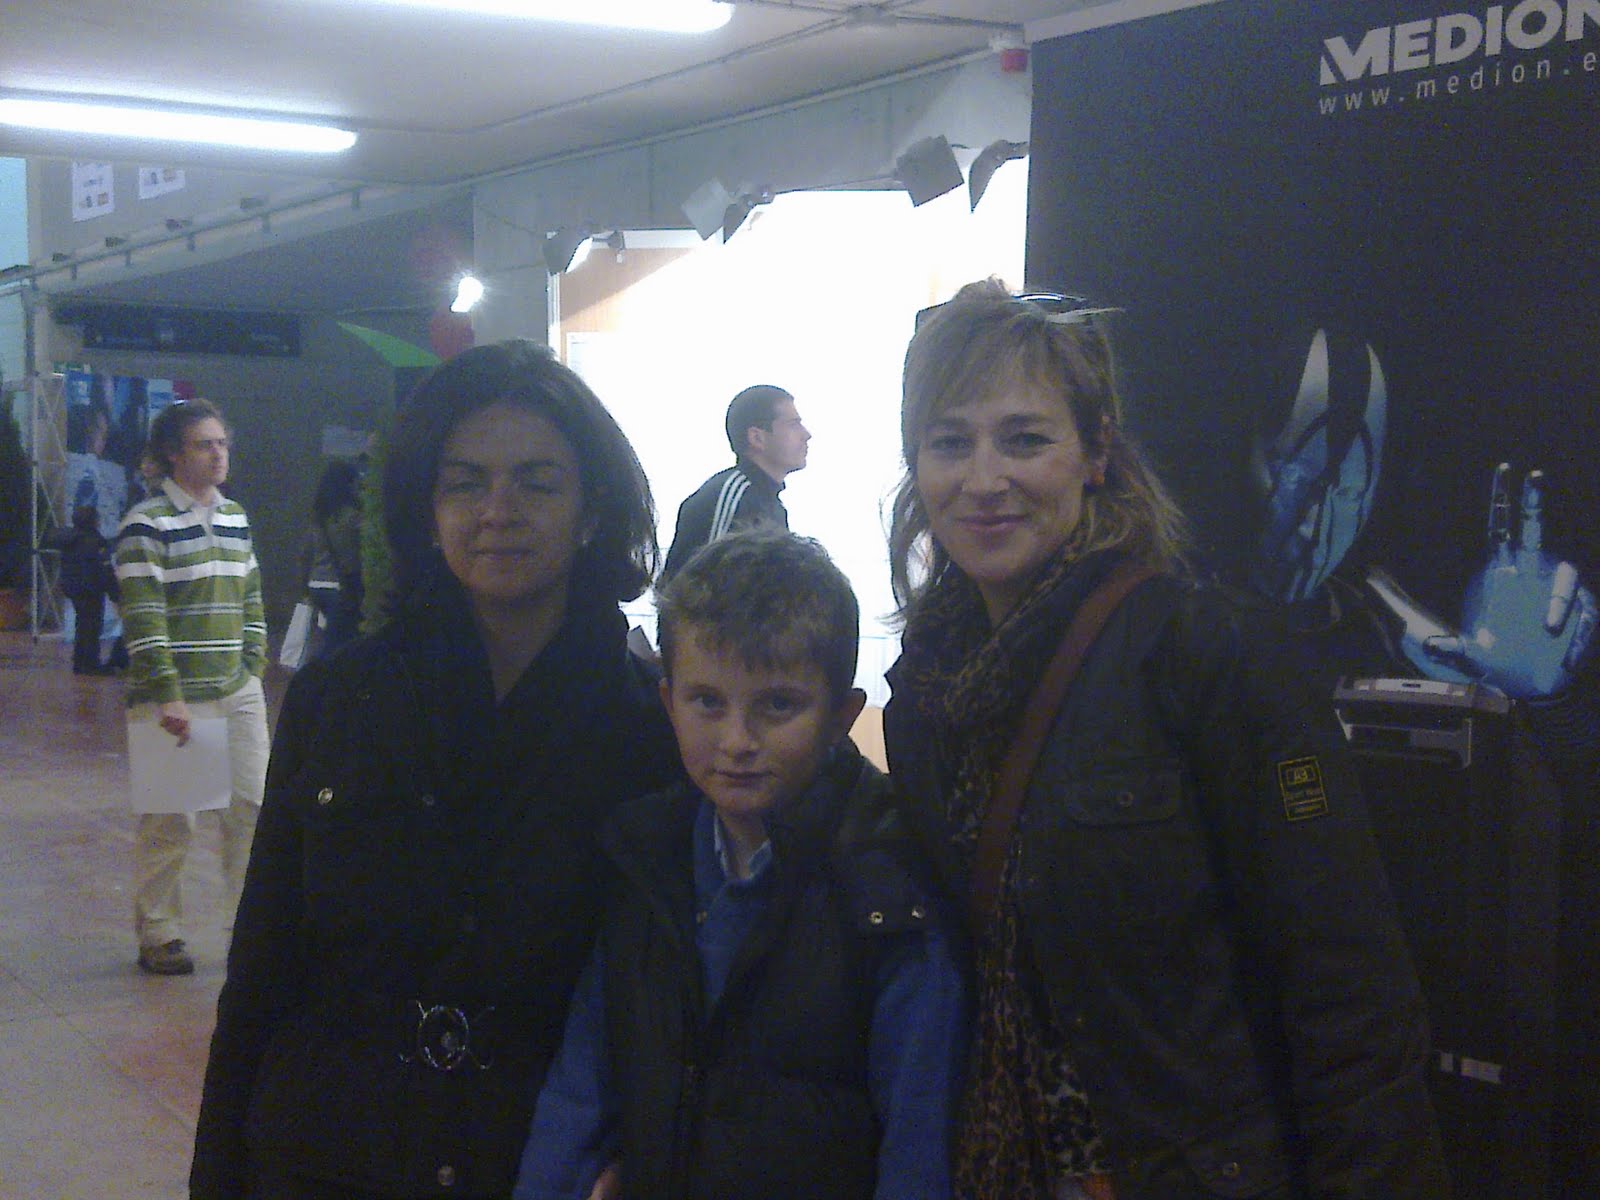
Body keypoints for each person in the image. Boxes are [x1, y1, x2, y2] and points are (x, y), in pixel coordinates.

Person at [881, 280, 1448, 1200]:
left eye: (1024, 439)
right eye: (951, 442)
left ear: (1096, 452)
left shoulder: (1203, 653)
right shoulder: (925, 697)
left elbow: (1346, 988)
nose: (984, 480)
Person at [190, 340, 684, 1200]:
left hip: (538, 1159)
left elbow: (668, 999)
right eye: (465, 483)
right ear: (426, 510)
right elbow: (263, 967)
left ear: (591, 510)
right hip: (329, 1151)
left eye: (537, 482)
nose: (499, 510)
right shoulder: (338, 699)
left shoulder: (652, 727)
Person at [514, 529, 963, 1200]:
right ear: (668, 702)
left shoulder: (892, 885)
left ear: (842, 715)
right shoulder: (643, 855)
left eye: (777, 704)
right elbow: (582, 1081)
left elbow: (920, 1145)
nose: (737, 741)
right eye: (707, 702)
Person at [116, 398, 269, 977]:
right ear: (173, 454)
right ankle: (159, 933)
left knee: (252, 810)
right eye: (205, 445)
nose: (218, 454)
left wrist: (252, 664)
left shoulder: (235, 516)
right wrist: (169, 695)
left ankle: (250, 932)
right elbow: (144, 618)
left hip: (237, 690)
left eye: (222, 443)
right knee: (173, 819)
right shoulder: (146, 523)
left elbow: (251, 597)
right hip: (177, 698)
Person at [658, 384, 810, 584]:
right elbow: (701, 588)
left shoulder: (771, 506)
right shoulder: (732, 496)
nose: (806, 434)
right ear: (757, 438)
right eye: (793, 424)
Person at [300, 456, 366, 662]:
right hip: (340, 587)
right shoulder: (352, 516)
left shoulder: (319, 516)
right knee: (338, 643)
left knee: (328, 638)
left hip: (316, 584)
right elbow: (356, 554)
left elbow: (305, 554)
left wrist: (304, 588)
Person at [53, 503, 117, 674]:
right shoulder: (96, 541)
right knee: (92, 626)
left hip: (74, 588)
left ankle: (79, 661)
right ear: (94, 521)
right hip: (92, 588)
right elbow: (104, 569)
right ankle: (90, 663)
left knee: (81, 623)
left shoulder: (70, 539)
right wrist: (115, 592)